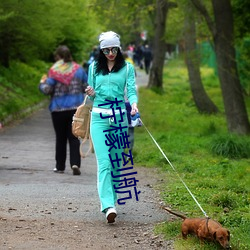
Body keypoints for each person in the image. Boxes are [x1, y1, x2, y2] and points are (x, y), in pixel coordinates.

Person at [85, 31, 139, 223]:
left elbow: (131, 91)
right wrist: (90, 92)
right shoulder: (93, 68)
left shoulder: (127, 68)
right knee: (104, 163)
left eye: (113, 49)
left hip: (119, 117)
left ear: (118, 48)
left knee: (116, 163)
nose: (110, 53)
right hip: (99, 117)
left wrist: (133, 104)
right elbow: (91, 97)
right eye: (106, 50)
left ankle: (113, 200)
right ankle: (108, 205)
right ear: (101, 50)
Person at [39, 45, 88, 175]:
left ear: (58, 57)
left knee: (60, 138)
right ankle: (75, 163)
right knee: (74, 137)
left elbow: (47, 90)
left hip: (58, 109)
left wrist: (42, 83)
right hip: (75, 109)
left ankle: (60, 166)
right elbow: (86, 87)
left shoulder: (54, 71)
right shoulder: (79, 70)